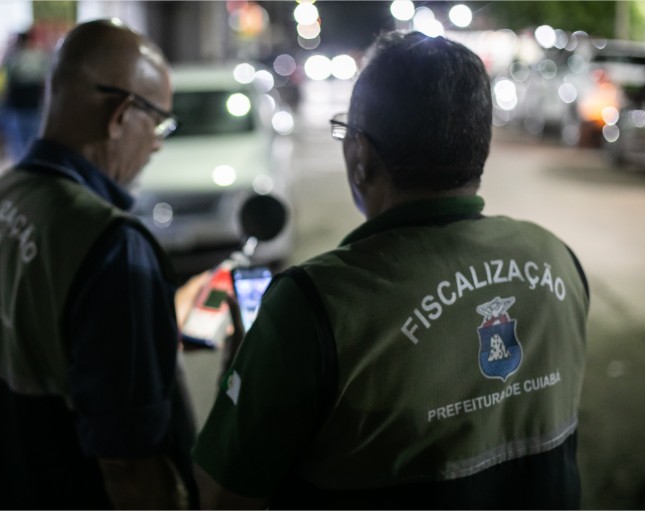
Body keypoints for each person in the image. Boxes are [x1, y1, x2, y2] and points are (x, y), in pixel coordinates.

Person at [192, 30, 590, 509]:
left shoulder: (316, 306)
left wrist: (236, 374)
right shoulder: (558, 260)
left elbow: (222, 496)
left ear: (360, 156)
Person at [0, 19, 198, 510]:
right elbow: (131, 466)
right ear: (121, 115)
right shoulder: (111, 244)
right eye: (160, 121)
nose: (159, 142)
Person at [0, 28, 49, 161]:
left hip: (22, 104)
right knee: (29, 139)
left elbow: (1, 75)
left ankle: (24, 165)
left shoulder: (16, 57)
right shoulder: (38, 56)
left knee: (20, 141)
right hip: (28, 104)